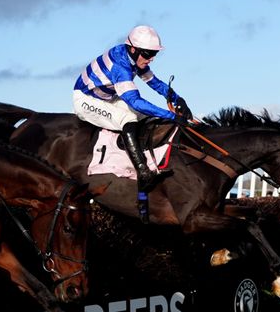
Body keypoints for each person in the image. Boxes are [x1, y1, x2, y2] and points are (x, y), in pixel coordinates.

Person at [72, 25, 192, 192]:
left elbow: (154, 83)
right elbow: (135, 102)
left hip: (108, 98)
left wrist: (177, 99)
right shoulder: (120, 66)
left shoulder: (133, 57)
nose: (152, 59)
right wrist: (171, 116)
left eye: (154, 54)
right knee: (128, 118)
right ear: (134, 49)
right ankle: (143, 171)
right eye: (149, 54)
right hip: (86, 100)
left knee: (145, 117)